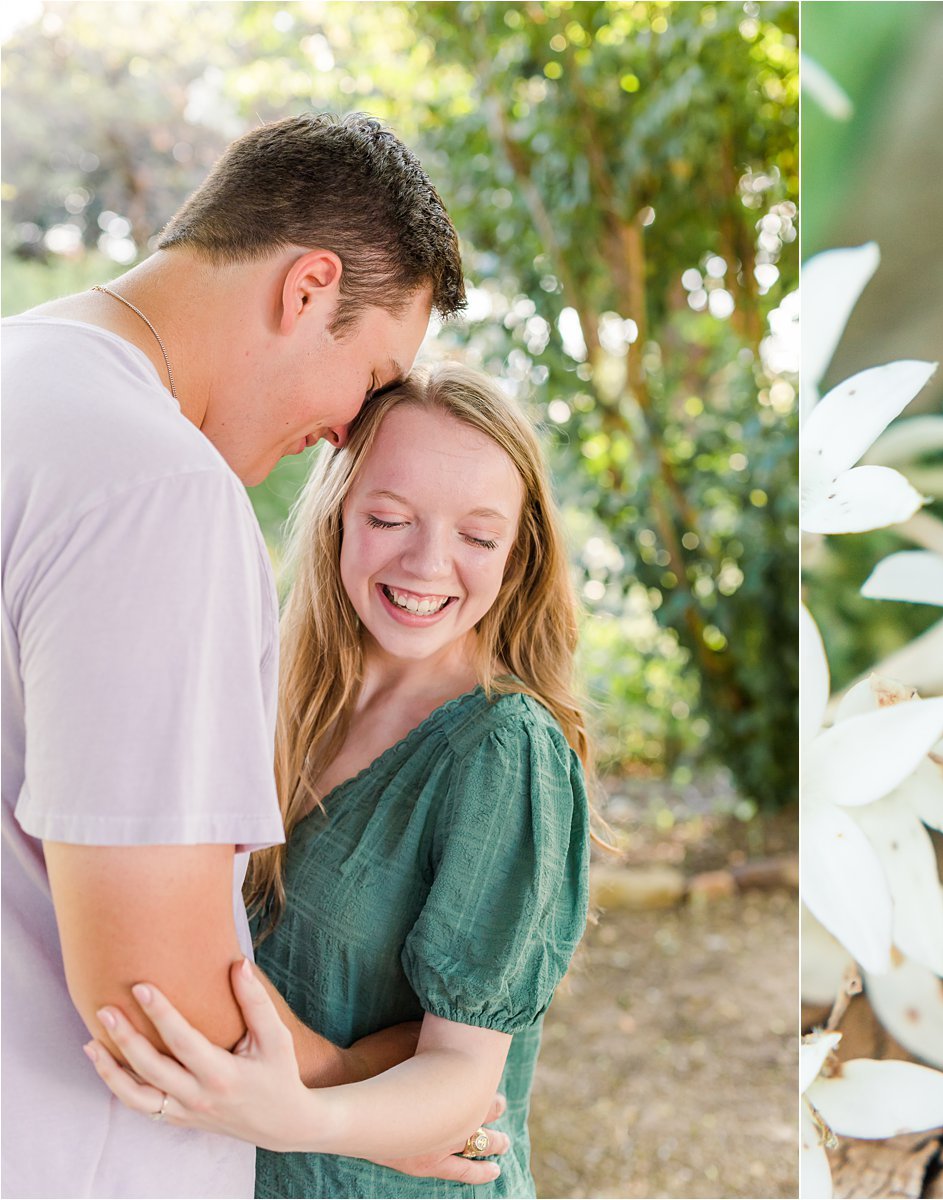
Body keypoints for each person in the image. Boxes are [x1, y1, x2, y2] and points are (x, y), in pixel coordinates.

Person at [0, 112, 493, 1197]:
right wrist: (359, 1101)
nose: (346, 432)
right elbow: (149, 992)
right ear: (307, 286)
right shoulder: (158, 489)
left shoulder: (20, 382)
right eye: (370, 378)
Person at [82, 364, 593, 1199]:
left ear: (519, 551)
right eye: (391, 518)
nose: (429, 564)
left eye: (478, 536)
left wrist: (299, 1116)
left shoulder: (504, 751)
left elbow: (466, 1079)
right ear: (339, 516)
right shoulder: (278, 690)